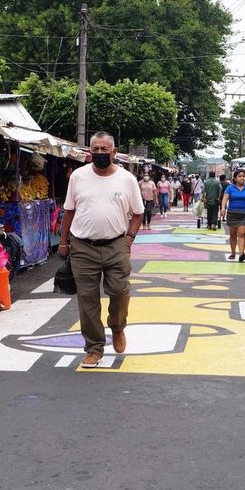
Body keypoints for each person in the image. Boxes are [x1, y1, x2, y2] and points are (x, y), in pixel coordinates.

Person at [58, 132, 144, 368]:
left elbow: (138, 213)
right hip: (83, 247)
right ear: (89, 152)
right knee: (87, 301)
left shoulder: (127, 179)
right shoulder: (78, 177)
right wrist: (63, 242)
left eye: (104, 150)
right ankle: (94, 348)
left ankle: (117, 327)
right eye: (95, 149)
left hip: (117, 245)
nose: (99, 154)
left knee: (119, 291)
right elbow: (69, 211)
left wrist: (129, 239)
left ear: (114, 153)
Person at [221, 170, 245, 261]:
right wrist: (223, 208)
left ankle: (241, 253)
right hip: (232, 214)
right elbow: (225, 198)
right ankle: (233, 253)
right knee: (233, 234)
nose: (242, 178)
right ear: (235, 178)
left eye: (243, 176)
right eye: (239, 176)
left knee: (242, 234)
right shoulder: (230, 188)